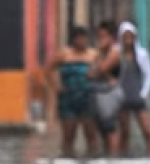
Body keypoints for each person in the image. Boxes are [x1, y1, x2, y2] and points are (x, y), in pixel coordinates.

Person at [47, 27, 100, 156]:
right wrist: (56, 85)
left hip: (87, 97)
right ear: (74, 39)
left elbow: (103, 71)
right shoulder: (64, 54)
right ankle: (67, 160)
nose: (82, 41)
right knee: (68, 135)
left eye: (85, 38)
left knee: (91, 134)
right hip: (68, 98)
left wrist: (95, 74)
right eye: (79, 38)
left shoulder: (93, 55)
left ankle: (92, 160)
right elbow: (49, 69)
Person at [116, 22, 150, 154]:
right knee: (124, 132)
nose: (128, 39)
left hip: (137, 97)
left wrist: (143, 93)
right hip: (121, 97)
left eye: (130, 36)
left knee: (147, 130)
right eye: (125, 36)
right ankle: (123, 156)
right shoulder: (116, 54)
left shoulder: (141, 54)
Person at [89, 21, 122, 153]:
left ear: (111, 38)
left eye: (104, 36)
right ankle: (107, 156)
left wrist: (98, 53)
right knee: (101, 129)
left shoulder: (114, 53)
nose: (101, 39)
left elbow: (102, 69)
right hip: (98, 92)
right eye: (99, 36)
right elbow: (90, 74)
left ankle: (114, 157)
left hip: (110, 94)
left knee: (110, 129)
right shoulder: (100, 54)